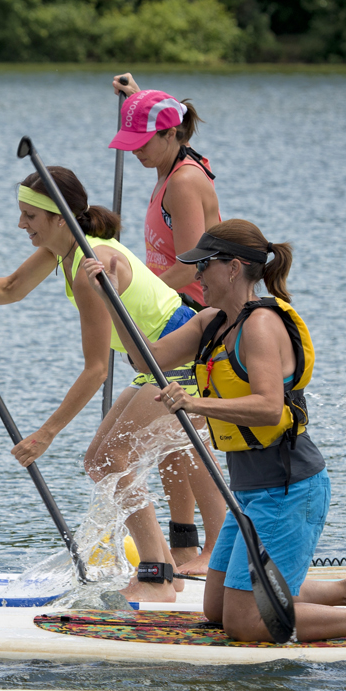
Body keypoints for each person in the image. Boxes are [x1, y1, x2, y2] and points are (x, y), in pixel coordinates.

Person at [82, 219, 346, 641]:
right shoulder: (212, 322)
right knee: (217, 609)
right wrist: (111, 296)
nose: (196, 274)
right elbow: (148, 361)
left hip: (289, 491)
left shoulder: (261, 325)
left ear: (234, 268)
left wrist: (195, 402)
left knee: (245, 623)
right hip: (251, 495)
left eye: (205, 265)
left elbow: (270, 408)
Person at [0, 166, 214, 602]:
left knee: (113, 455)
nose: (21, 225)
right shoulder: (64, 249)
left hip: (185, 357)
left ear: (59, 217)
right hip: (152, 361)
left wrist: (45, 434)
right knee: (99, 460)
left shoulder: (89, 266)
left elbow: (96, 369)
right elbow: (12, 287)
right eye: (21, 214)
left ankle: (159, 575)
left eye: (30, 217)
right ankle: (165, 563)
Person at [107, 74, 226, 574]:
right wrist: (134, 96)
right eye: (128, 143)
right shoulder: (170, 161)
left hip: (198, 318)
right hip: (170, 313)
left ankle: (220, 549)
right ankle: (184, 545)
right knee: (169, 438)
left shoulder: (183, 181)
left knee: (188, 435)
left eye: (142, 142)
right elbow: (159, 112)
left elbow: (197, 262)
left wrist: (135, 291)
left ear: (172, 134)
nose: (134, 153)